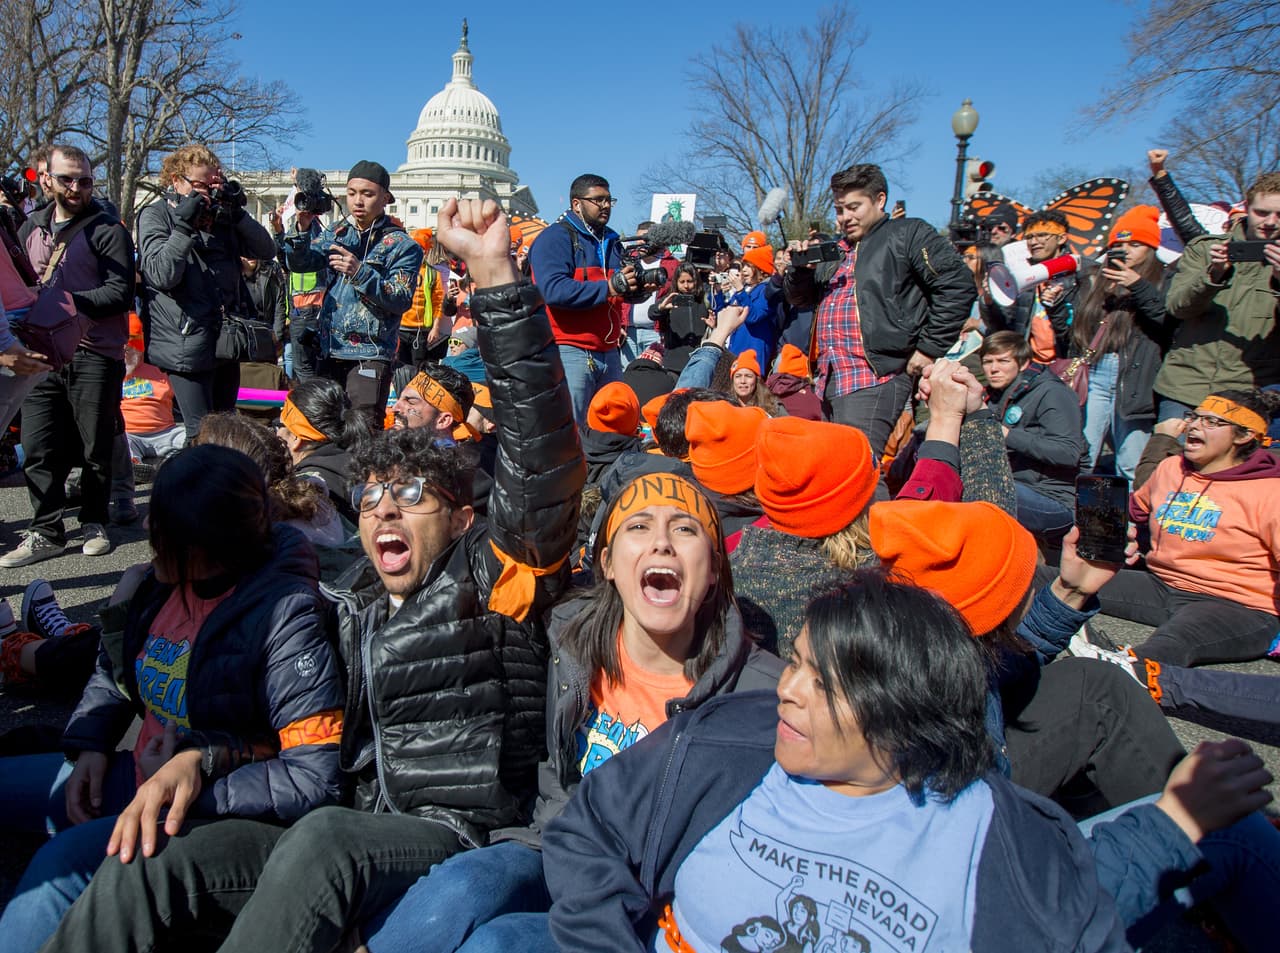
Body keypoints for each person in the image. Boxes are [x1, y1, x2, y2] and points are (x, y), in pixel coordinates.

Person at [39, 196, 586, 953]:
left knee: (326, 840)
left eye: (412, 495)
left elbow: (542, 457)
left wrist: (494, 274)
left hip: (453, 829)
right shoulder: (346, 598)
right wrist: (203, 757)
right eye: (372, 498)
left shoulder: (495, 579)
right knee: (147, 862)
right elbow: (294, 730)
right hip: (339, 818)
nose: (385, 509)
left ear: (464, 518)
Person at [542, 572, 1130, 952]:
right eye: (797, 662)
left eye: (824, 685)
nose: (787, 690)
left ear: (904, 712)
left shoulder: (1000, 840)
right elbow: (589, 831)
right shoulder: (732, 737)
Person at [361, 472, 783, 953]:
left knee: (497, 945)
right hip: (551, 844)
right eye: (639, 526)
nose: (662, 543)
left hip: (648, 899)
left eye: (685, 529)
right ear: (607, 563)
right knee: (464, 886)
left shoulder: (760, 695)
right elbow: (535, 500)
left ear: (712, 570)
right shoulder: (566, 633)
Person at [0, 443, 345, 953]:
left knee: (57, 870)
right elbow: (117, 671)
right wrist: (91, 744)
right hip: (135, 775)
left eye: (157, 524)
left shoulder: (286, 615)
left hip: (206, 809)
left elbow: (316, 776)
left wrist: (195, 773)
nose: (144, 529)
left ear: (203, 545)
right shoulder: (161, 582)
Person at [1, 144, 135, 569]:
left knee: (95, 444)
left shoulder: (107, 229)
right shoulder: (30, 227)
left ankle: (94, 520)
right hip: (40, 353)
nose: (76, 188)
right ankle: (46, 530)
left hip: (95, 352)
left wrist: (64, 302)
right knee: (38, 444)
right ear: (47, 180)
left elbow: (121, 292)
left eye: (85, 180)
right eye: (67, 179)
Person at [784, 163, 974, 457]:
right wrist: (801, 271)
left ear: (880, 200)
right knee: (838, 466)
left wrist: (928, 348)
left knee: (856, 465)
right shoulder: (837, 250)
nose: (845, 217)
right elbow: (801, 300)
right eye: (839, 210)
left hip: (875, 375)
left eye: (853, 207)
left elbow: (958, 285)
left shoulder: (908, 233)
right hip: (829, 377)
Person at [1089, 389, 1280, 666]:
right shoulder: (1171, 468)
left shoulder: (1271, 492)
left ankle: (1119, 669)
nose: (1194, 425)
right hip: (1161, 585)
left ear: (1244, 435)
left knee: (1175, 640)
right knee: (1052, 578)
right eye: (1194, 417)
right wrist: (1119, 535)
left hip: (1239, 605)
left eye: (1211, 421)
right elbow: (1133, 512)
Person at [137, 143, 276, 439]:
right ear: (176, 180)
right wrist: (184, 226)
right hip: (183, 340)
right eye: (200, 185)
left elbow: (266, 249)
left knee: (225, 429)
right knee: (200, 431)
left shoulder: (221, 218)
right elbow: (161, 274)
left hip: (225, 339)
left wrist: (237, 212)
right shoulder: (157, 214)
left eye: (214, 185)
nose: (208, 193)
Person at [277, 160, 423, 427]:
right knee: (325, 426)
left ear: (385, 198)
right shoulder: (337, 232)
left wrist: (360, 273)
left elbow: (400, 299)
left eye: (367, 194)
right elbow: (300, 264)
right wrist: (302, 229)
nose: (358, 201)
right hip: (329, 349)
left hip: (369, 353)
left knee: (362, 429)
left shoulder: (403, 246)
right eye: (352, 193)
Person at [1156, 171, 1280, 421]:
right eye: (1262, 212)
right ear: (1247, 208)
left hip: (1252, 393)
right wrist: (1213, 276)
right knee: (1169, 448)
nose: (1270, 222)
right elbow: (1177, 307)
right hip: (1185, 387)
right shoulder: (1205, 248)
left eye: (1279, 215)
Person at [528, 173, 640, 424]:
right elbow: (552, 290)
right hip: (569, 349)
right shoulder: (554, 238)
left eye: (609, 200)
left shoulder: (612, 240)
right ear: (576, 204)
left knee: (612, 428)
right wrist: (609, 287)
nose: (606, 205)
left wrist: (637, 288)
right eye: (598, 200)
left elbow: (618, 291)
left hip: (609, 351)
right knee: (571, 429)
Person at [1071, 205, 1169, 480]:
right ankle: (1076, 507)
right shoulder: (1098, 280)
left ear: (1151, 248)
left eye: (1135, 244)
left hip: (1137, 375)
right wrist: (1056, 306)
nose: (1125, 251)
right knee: (1082, 455)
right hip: (1097, 369)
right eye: (1119, 244)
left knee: (1130, 461)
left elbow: (1167, 321)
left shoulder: (1165, 278)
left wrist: (1138, 285)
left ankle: (1133, 509)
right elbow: (1078, 331)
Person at [981, 330, 1086, 540]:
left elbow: (1068, 452)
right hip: (1012, 484)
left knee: (984, 490)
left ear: (1023, 364)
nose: (993, 369)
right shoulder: (992, 396)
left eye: (1003, 361)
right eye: (987, 362)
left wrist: (1007, 435)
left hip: (1052, 498)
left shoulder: (1052, 393)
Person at [990, 209, 1087, 361]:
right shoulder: (1025, 273)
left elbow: (1082, 330)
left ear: (1061, 238)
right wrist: (989, 301)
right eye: (1029, 237)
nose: (1034, 242)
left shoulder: (1083, 273)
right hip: (1032, 363)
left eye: (1042, 235)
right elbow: (1007, 323)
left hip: (1065, 361)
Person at [274, 376, 370, 524]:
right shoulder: (363, 464)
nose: (276, 434)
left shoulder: (303, 489)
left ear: (296, 438)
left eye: (279, 426)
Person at [398, 227, 449, 366]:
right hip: (399, 328)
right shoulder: (399, 270)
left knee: (418, 369)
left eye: (419, 248)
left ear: (425, 250)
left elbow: (438, 302)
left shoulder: (432, 273)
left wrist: (435, 328)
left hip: (420, 331)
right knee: (398, 370)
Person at [389, 361, 474, 441]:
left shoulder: (445, 452)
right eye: (399, 398)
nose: (394, 408)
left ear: (443, 420)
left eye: (411, 402)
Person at [728, 245, 781, 369]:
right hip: (736, 348)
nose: (744, 270)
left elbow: (754, 316)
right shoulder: (747, 289)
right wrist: (718, 292)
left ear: (760, 269)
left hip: (754, 350)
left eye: (749, 266)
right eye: (743, 265)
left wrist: (740, 290)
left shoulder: (766, 290)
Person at [728, 349, 785, 415]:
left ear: (757, 380)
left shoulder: (773, 406)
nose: (743, 381)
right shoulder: (725, 405)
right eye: (738, 376)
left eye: (748, 376)